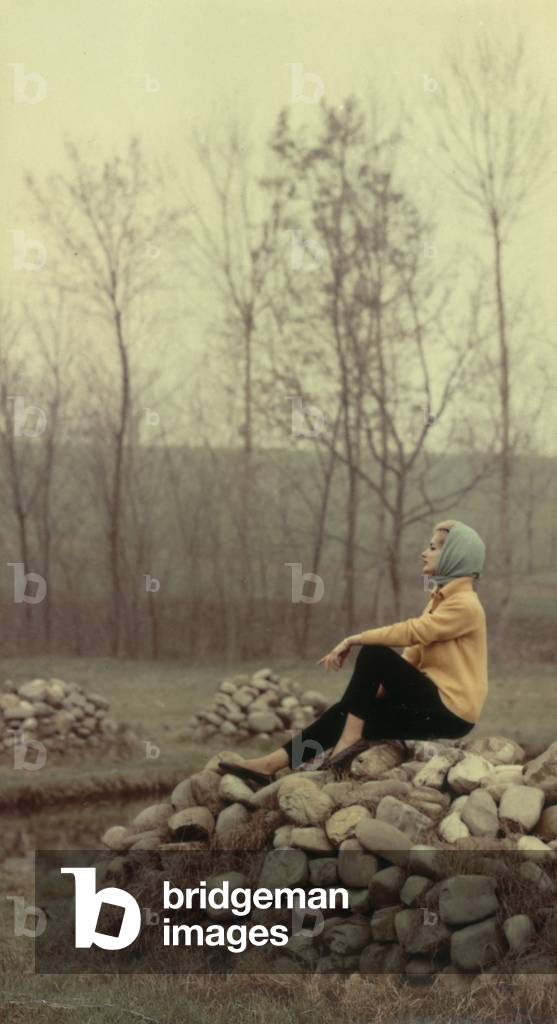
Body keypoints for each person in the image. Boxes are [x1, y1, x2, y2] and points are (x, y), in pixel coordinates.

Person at [219, 519, 487, 785]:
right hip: (429, 704)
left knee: (374, 653)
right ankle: (272, 764)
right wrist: (368, 693)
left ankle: (347, 744)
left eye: (434, 547)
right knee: (348, 711)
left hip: (450, 711)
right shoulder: (438, 600)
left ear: (455, 556)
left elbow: (414, 632)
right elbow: (411, 656)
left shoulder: (465, 605)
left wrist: (353, 640)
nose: (424, 553)